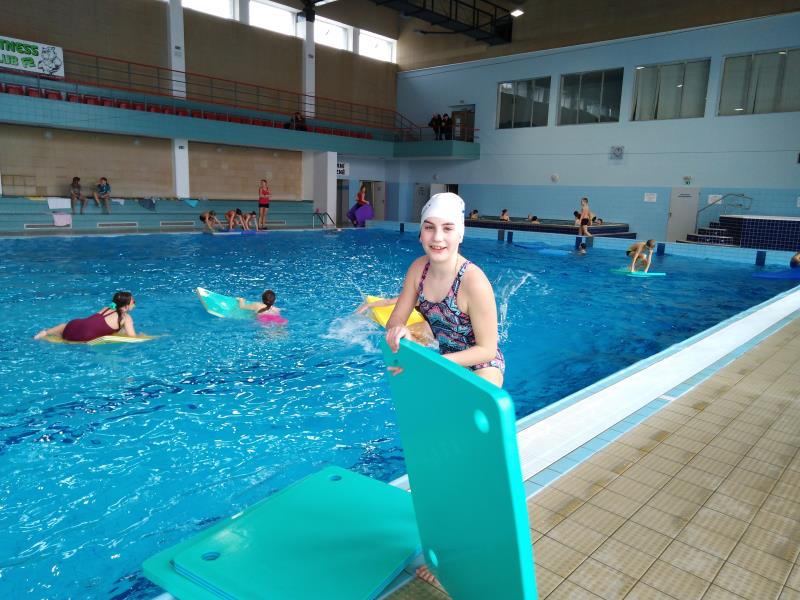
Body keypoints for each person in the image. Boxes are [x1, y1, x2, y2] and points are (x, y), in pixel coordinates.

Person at [385, 192, 505, 389]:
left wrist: (433, 363)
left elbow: (487, 350)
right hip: (443, 360)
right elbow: (395, 319)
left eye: (448, 228)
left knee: (472, 401)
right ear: (420, 233)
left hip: (482, 365)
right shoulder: (418, 270)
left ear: (460, 235)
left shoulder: (474, 282)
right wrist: (400, 329)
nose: (437, 237)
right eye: (429, 227)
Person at [34, 291, 139, 342]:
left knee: (65, 325)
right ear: (126, 306)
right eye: (133, 302)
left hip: (72, 326)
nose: (134, 304)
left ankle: (45, 333)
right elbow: (132, 338)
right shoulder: (126, 318)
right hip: (84, 337)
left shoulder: (106, 308)